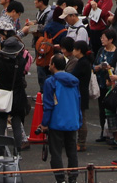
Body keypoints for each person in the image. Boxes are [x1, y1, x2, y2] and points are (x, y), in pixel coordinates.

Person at [42, 54, 82, 183]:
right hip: (72, 120)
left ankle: (60, 180)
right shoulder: (74, 81)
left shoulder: (51, 81)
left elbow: (48, 105)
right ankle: (73, 178)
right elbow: (78, 100)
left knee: (56, 153)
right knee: (72, 152)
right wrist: (79, 120)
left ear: (53, 65)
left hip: (57, 121)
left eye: (50, 63)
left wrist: (44, 123)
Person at [0, 35, 29, 146]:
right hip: (17, 96)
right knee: (16, 123)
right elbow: (22, 55)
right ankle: (17, 151)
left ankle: (0, 151)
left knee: (1, 124)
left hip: (2, 95)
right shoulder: (20, 62)